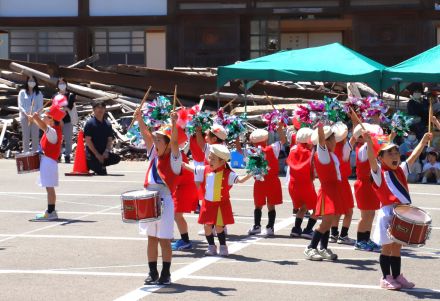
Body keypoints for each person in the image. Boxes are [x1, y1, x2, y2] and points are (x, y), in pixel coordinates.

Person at [365, 129, 432, 290]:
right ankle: (385, 278)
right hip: (388, 213)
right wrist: (368, 142)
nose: (395, 156)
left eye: (396, 153)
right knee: (387, 247)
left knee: (397, 247)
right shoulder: (379, 173)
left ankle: (396, 276)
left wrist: (423, 142)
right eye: (390, 154)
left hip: (402, 212)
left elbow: (413, 157)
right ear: (381, 158)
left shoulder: (400, 170)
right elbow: (372, 161)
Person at [136, 110, 182, 285]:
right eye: (155, 139)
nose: (155, 142)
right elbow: (147, 136)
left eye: (159, 140)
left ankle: (166, 273)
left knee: (164, 239)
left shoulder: (174, 159)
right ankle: (152, 271)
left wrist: (174, 123)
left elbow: (176, 141)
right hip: (149, 197)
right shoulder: (154, 153)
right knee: (151, 238)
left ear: (168, 144)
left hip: (164, 197)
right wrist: (140, 119)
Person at [182, 144, 252, 256]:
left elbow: (240, 180)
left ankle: (223, 246)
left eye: (213, 158)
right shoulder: (205, 169)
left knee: (219, 227)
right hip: (207, 204)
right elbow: (192, 168)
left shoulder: (228, 173)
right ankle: (211, 246)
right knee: (207, 226)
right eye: (210, 157)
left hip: (221, 204)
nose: (210, 160)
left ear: (222, 162)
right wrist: (180, 162)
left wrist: (252, 172)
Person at [303, 125, 342, 261]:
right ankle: (310, 247)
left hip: (334, 190)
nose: (336, 141)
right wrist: (320, 128)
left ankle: (323, 248)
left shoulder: (330, 154)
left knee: (329, 222)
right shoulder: (323, 154)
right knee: (325, 223)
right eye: (334, 139)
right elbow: (321, 142)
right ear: (327, 141)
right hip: (327, 191)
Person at [27, 105, 65, 221]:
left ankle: (51, 211)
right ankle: (51, 211)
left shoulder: (52, 131)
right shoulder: (53, 130)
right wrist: (34, 119)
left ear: (51, 119)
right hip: (48, 161)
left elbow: (44, 127)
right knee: (49, 188)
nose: (43, 118)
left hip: (49, 161)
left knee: (49, 188)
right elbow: (43, 126)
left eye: (45, 117)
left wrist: (36, 118)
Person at [247, 124, 286, 237]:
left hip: (259, 181)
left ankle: (257, 226)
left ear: (253, 142)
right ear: (266, 139)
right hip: (272, 180)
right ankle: (270, 227)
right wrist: (279, 129)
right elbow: (283, 140)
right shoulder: (273, 148)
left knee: (258, 204)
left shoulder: (252, 151)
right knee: (271, 204)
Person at [350, 123, 382, 251]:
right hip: (363, 185)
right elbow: (370, 151)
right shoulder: (363, 148)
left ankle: (366, 238)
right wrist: (368, 141)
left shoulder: (369, 145)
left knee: (371, 213)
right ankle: (359, 241)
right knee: (365, 215)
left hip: (371, 184)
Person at [286, 127, 318, 239]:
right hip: (306, 184)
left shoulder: (293, 150)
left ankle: (296, 228)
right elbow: (314, 170)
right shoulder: (310, 153)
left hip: (293, 185)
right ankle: (308, 230)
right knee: (317, 208)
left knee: (303, 207)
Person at [330, 122, 355, 245]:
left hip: (333, 183)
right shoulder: (346, 148)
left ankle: (333, 234)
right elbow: (355, 136)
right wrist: (354, 117)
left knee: (336, 211)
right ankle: (343, 235)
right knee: (349, 212)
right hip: (343, 182)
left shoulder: (328, 149)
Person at [84, 101, 121, 175]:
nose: (100, 110)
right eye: (98, 108)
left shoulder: (107, 124)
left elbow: (109, 140)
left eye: (102, 108)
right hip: (92, 153)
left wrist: (106, 151)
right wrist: (97, 154)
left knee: (116, 158)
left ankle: (100, 164)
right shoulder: (90, 123)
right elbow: (88, 141)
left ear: (105, 110)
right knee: (102, 172)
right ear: (94, 110)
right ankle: (89, 164)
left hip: (103, 153)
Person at [18, 76, 44, 153]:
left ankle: (34, 153)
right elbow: (20, 105)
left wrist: (35, 114)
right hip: (25, 117)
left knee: (35, 136)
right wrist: (27, 115)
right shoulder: (22, 92)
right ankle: (26, 152)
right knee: (25, 136)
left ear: (36, 82)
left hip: (35, 117)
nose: (31, 82)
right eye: (30, 80)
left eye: (33, 80)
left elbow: (40, 106)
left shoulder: (39, 93)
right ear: (27, 81)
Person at [55, 77, 78, 163]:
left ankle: (67, 155)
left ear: (66, 84)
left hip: (68, 120)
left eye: (63, 83)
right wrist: (60, 118)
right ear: (57, 85)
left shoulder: (70, 95)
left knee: (68, 139)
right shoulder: (55, 95)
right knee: (58, 139)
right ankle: (58, 154)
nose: (62, 85)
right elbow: (55, 108)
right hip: (57, 120)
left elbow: (69, 107)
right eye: (60, 83)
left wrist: (62, 109)